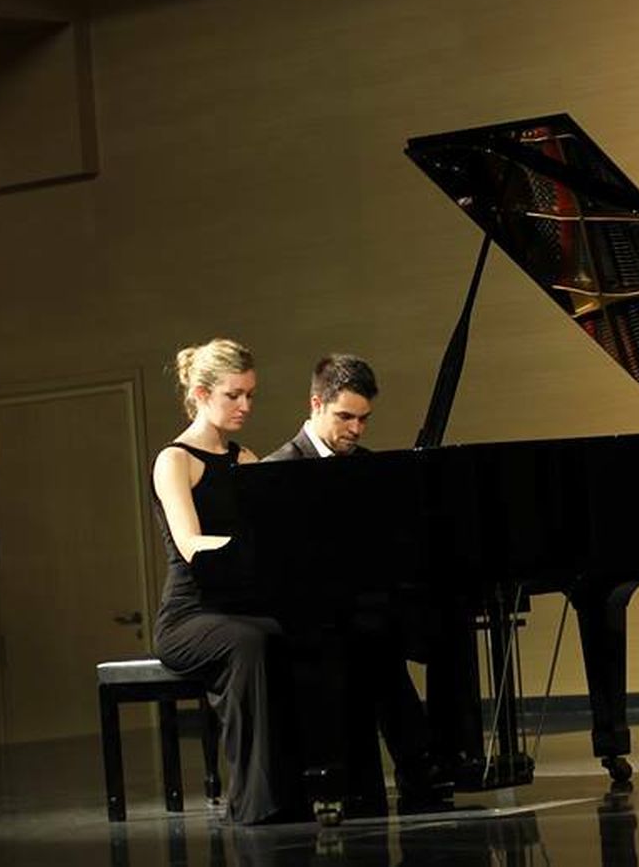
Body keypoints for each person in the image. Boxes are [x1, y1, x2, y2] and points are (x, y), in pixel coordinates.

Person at [264, 354, 446, 813]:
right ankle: (412, 768)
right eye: (345, 417)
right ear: (315, 404)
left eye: (364, 419)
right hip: (307, 616)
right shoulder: (277, 469)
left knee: (401, 632)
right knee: (376, 645)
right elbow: (279, 567)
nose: (356, 430)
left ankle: (420, 767)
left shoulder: (367, 466)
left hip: (359, 609)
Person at [150, 338, 307, 825]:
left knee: (301, 633)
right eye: (234, 395)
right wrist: (245, 549)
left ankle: (305, 788)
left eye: (250, 395)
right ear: (200, 394)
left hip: (237, 605)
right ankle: (253, 800)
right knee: (250, 642)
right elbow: (190, 542)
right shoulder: (174, 460)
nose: (246, 405)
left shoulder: (247, 459)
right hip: (189, 615)